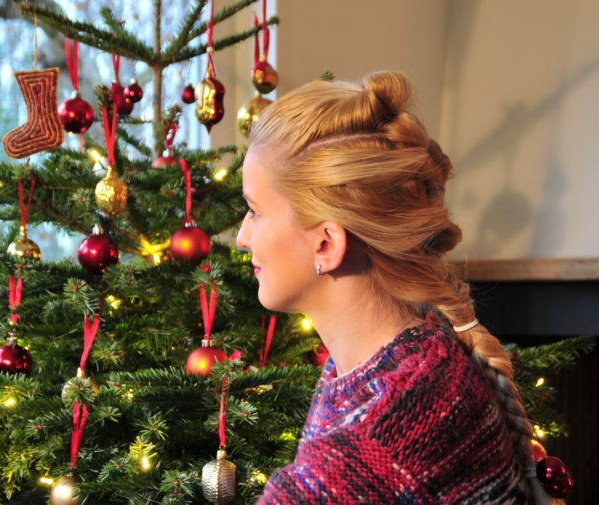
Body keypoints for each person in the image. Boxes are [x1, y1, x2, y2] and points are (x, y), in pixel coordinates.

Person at [236, 71, 552, 504]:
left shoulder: (370, 451)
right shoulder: (409, 359)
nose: (241, 237)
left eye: (253, 211)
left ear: (325, 243)